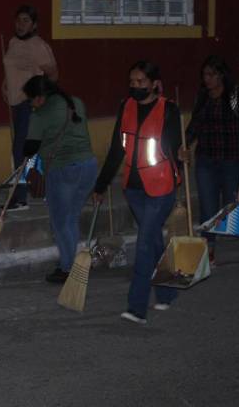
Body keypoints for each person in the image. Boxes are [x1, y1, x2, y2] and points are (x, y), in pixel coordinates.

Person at [93, 61, 181, 325]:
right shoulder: (126, 107)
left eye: (141, 82)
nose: (135, 86)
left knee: (144, 244)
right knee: (152, 241)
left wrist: (183, 154)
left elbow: (174, 146)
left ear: (154, 83)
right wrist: (101, 184)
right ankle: (166, 293)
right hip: (134, 189)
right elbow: (117, 149)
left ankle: (136, 307)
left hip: (161, 188)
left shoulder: (169, 109)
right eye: (132, 81)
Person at [183, 55, 239, 265]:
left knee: (231, 208)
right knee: (208, 208)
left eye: (211, 74)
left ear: (221, 75)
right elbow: (195, 125)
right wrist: (185, 143)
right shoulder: (204, 97)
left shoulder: (234, 96)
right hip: (207, 160)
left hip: (233, 160)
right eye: (204, 75)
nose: (207, 79)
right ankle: (209, 250)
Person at [21, 75, 97, 284]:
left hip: (63, 171)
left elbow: (30, 147)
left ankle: (67, 268)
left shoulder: (41, 114)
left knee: (60, 222)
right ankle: (70, 262)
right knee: (71, 217)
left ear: (39, 98)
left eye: (30, 100)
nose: (30, 104)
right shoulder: (76, 102)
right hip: (89, 167)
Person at [2, 4, 59, 211]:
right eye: (18, 20)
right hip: (16, 102)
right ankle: (40, 190)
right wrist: (6, 84)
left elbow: (53, 74)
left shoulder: (38, 46)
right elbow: (12, 68)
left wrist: (41, 96)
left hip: (30, 104)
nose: (20, 24)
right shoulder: (13, 42)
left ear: (34, 25)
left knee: (21, 151)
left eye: (26, 20)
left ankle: (20, 198)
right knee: (25, 151)